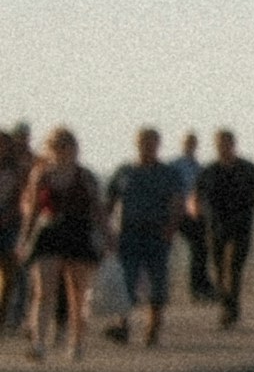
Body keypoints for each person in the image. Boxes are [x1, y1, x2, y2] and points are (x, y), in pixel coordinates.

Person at [24, 130, 105, 359]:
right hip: (49, 233)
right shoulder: (41, 175)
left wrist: (107, 236)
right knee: (43, 291)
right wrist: (26, 239)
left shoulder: (85, 176)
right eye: (57, 146)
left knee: (76, 293)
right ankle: (38, 342)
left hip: (78, 233)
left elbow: (97, 209)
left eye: (67, 145)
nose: (62, 150)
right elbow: (33, 210)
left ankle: (76, 342)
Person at [104, 127, 183, 346]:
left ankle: (153, 329)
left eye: (151, 143)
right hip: (128, 234)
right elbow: (109, 202)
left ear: (158, 145)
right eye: (143, 143)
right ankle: (123, 325)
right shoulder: (124, 172)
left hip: (157, 234)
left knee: (158, 281)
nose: (147, 147)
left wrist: (171, 228)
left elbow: (177, 202)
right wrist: (106, 231)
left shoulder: (167, 174)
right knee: (126, 281)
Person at [192, 129, 254, 331]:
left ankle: (230, 309)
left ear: (233, 144)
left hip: (240, 226)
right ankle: (227, 304)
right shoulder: (209, 171)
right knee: (219, 269)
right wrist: (195, 211)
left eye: (226, 143)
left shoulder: (247, 169)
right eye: (219, 144)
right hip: (215, 227)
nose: (223, 147)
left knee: (233, 268)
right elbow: (195, 195)